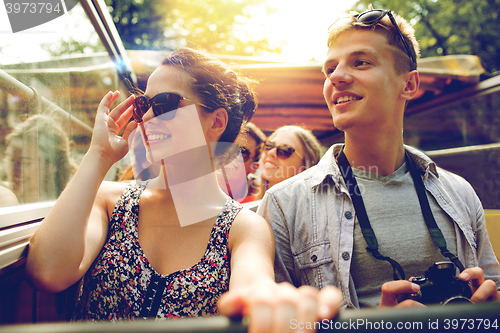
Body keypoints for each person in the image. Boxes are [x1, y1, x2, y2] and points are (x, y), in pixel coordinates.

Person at [25, 48, 341, 328]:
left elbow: (255, 289)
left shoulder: (243, 229)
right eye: (142, 105)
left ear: (216, 122)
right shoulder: (109, 200)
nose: (147, 116)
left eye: (164, 104)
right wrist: (98, 155)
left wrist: (271, 305)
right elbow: (48, 272)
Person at [257, 9, 500, 310]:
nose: (337, 77)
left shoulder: (460, 193)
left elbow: (493, 288)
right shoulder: (284, 204)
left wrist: (489, 306)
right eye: (330, 69)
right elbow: (277, 324)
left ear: (409, 85)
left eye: (361, 62)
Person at [4, 114, 74, 204]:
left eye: (26, 163)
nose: (15, 169)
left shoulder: (69, 202)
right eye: (11, 160)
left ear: (53, 165)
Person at [250, 125, 322, 201]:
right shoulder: (243, 206)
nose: (271, 152)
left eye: (284, 151)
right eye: (269, 145)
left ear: (305, 168)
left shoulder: (313, 212)